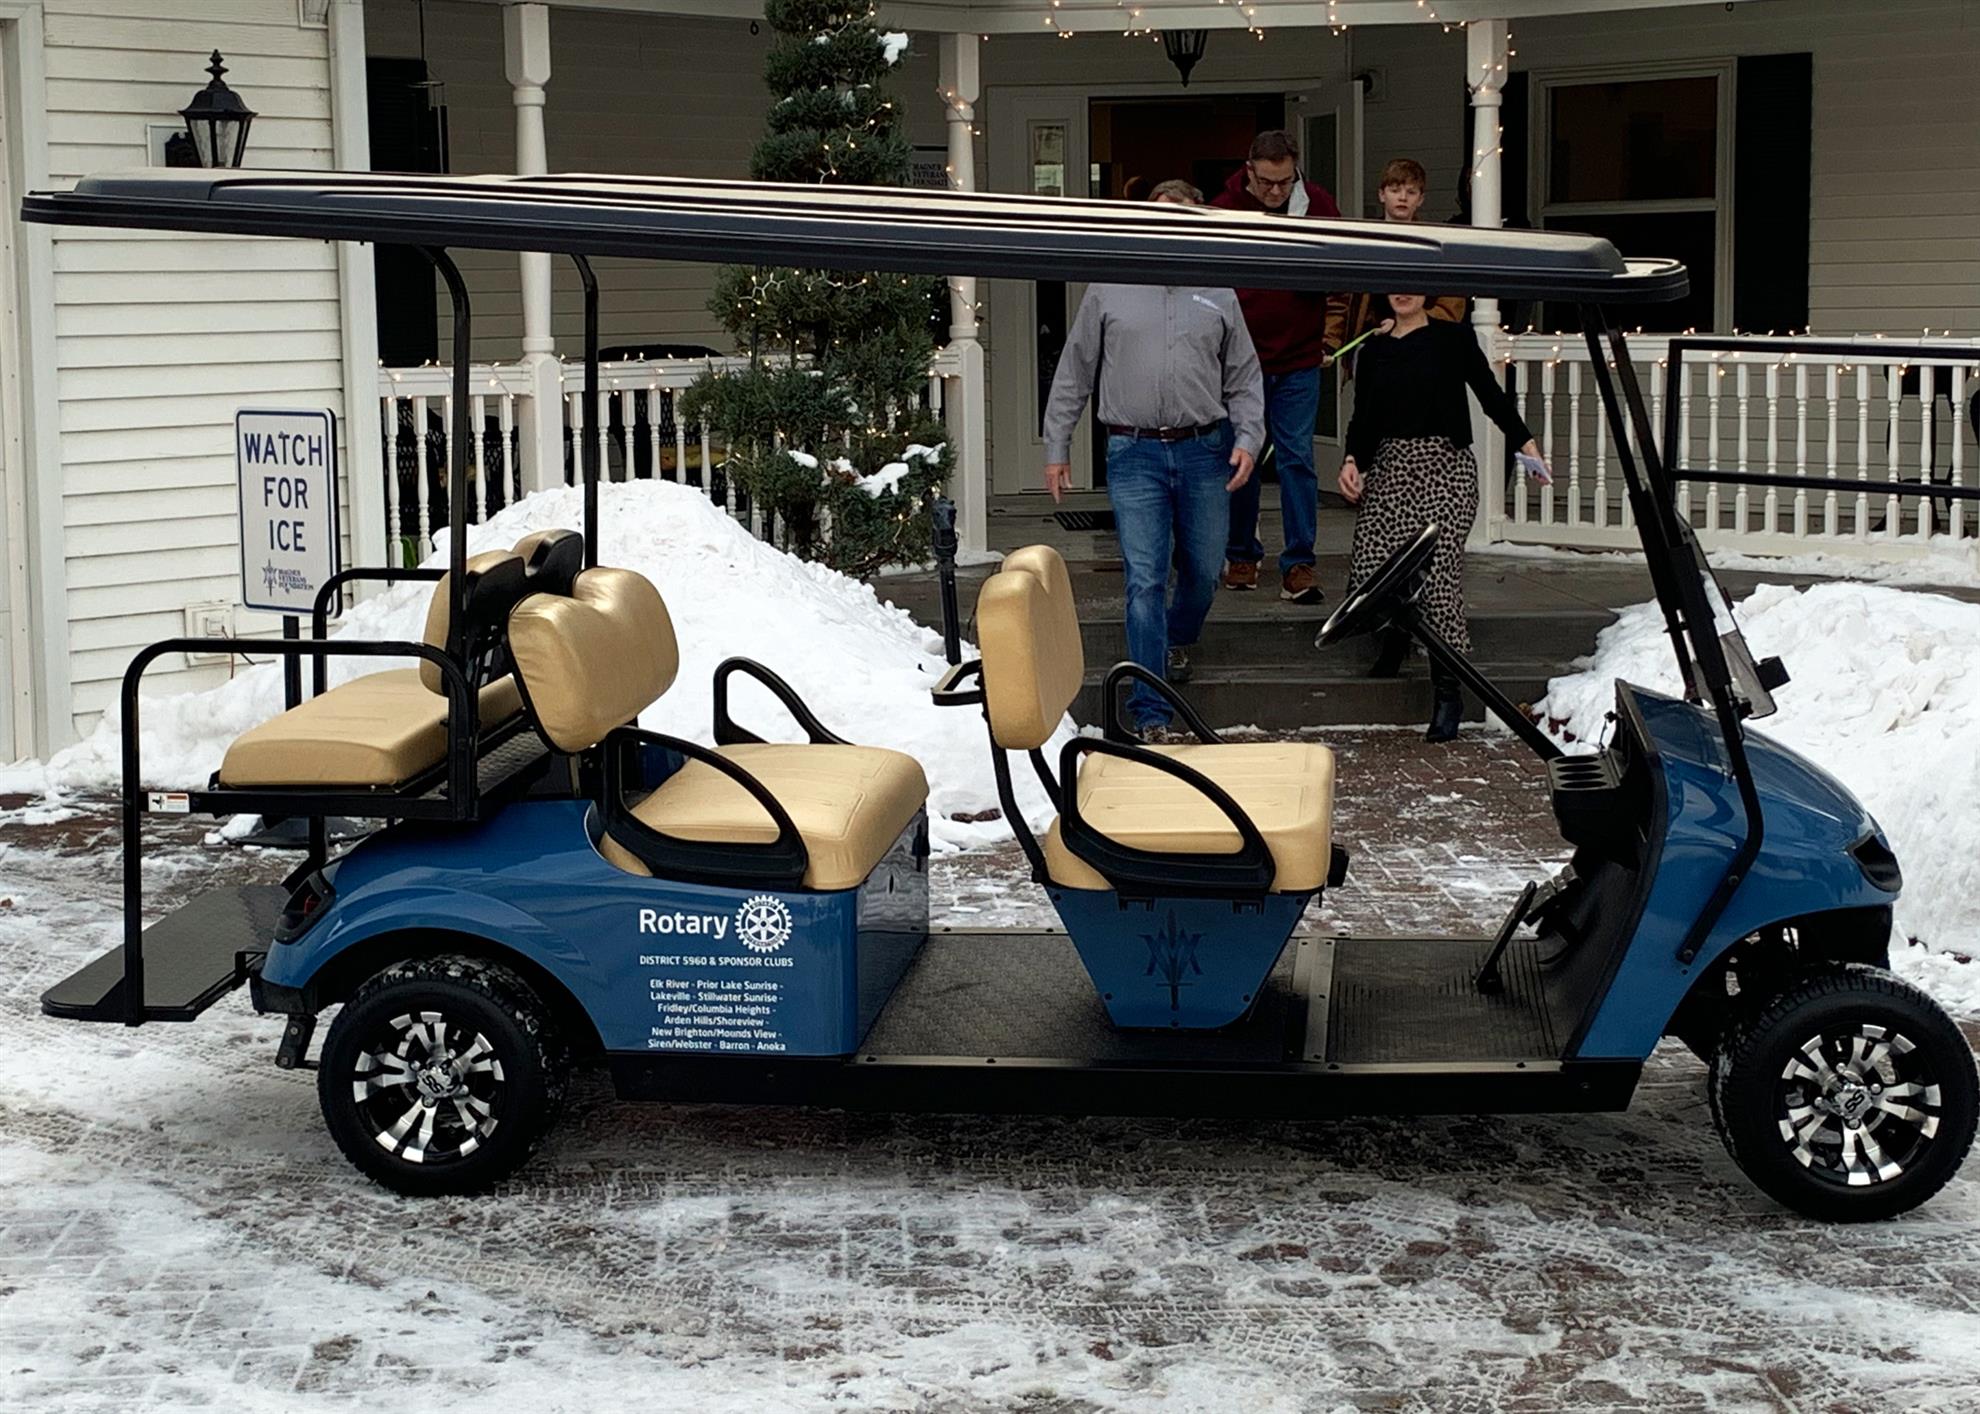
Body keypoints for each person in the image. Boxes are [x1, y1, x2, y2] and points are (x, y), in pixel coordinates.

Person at [1041, 181, 1263, 738]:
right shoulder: (1109, 288)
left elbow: (1244, 376)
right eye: (1160, 217)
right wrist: (1057, 444)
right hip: (1132, 451)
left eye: (1182, 218)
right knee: (1144, 578)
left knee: (1205, 572)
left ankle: (1175, 638)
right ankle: (1150, 711)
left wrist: (1249, 437)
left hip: (1204, 450)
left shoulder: (1219, 291)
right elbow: (1075, 369)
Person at [1337, 293, 1549, 742]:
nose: (1403, 293)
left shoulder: (1453, 339)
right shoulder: (1372, 349)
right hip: (1392, 468)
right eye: (1395, 286)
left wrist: (1526, 444)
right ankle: (1397, 636)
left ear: (1426, 293)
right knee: (1374, 565)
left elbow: (1490, 396)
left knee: (1437, 578)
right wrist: (1352, 460)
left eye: (1412, 285)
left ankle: (1448, 692)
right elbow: (1363, 416)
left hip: (1445, 468)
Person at [1211, 130, 1341, 605]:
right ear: (1249, 170)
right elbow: (1208, 286)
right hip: (1239, 361)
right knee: (1239, 458)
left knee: (1297, 459)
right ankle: (1241, 554)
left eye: (1284, 182)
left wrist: (1330, 337)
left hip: (1300, 358)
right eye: (1266, 182)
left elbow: (1341, 274)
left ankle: (1299, 563)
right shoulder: (1223, 209)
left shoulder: (1317, 206)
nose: (1275, 192)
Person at [1323, 159, 1467, 359]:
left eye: (1411, 192)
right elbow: (1341, 299)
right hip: (1368, 344)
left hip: (1421, 345)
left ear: (1421, 199)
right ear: (1382, 195)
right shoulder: (1362, 245)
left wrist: (1407, 323)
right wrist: (1329, 343)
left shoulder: (1435, 247)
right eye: (1395, 190)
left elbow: (1451, 306)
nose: (1402, 197)